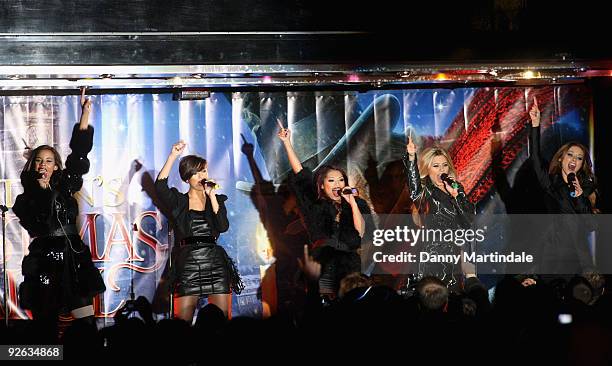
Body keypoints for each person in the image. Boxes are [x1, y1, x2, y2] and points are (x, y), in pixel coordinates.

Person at [14, 89, 105, 328]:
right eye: (39, 160)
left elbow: (79, 155)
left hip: (73, 257)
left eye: (49, 160)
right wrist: (41, 191)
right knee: (46, 322)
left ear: (56, 166)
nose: (43, 164)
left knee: (85, 319)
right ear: (33, 165)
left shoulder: (65, 186)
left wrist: (85, 115)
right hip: (45, 260)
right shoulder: (24, 200)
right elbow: (40, 225)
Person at [277, 122, 371, 297]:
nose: (337, 184)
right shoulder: (314, 204)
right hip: (323, 262)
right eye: (331, 181)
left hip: (349, 266)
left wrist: (352, 203)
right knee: (325, 306)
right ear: (322, 185)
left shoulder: (355, 204)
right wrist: (287, 143)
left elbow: (361, 232)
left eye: (341, 180)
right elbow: (300, 175)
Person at [154, 141, 243, 322]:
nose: (202, 175)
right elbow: (160, 187)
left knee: (221, 321)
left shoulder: (216, 199)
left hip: (215, 262)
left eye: (204, 171)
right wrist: (172, 156)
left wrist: (212, 196)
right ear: (188, 178)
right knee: (182, 323)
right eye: (196, 172)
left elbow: (223, 226)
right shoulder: (179, 201)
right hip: (189, 264)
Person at [528, 97, 598, 275]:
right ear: (561, 158)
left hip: (579, 261)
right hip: (552, 258)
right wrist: (535, 124)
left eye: (579, 158)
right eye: (570, 155)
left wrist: (581, 196)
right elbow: (536, 159)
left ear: (582, 164)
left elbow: (590, 225)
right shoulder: (551, 183)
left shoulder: (588, 187)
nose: (574, 160)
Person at [403, 133, 476, 290]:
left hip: (454, 255)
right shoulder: (426, 192)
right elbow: (414, 187)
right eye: (435, 166)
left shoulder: (457, 189)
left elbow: (468, 221)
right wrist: (411, 158)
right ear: (428, 169)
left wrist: (456, 196)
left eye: (444, 165)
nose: (441, 170)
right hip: (431, 256)